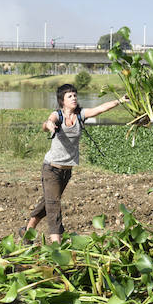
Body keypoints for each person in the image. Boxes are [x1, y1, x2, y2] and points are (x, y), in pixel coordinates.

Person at [23, 84, 128, 243]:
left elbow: (100, 109)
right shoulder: (57, 115)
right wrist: (49, 125)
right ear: (62, 101)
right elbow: (48, 123)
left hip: (66, 171)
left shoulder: (81, 115)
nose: (74, 98)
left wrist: (120, 100)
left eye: (74, 95)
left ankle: (27, 231)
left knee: (47, 203)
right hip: (51, 168)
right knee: (54, 206)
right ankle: (57, 245)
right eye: (69, 96)